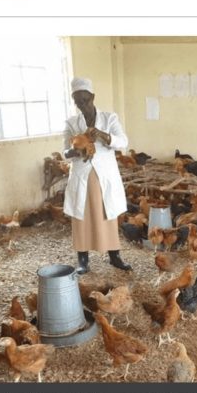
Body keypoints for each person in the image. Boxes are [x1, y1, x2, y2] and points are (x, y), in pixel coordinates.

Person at [63, 77, 132, 274]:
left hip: (105, 177)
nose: (82, 105)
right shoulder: (71, 123)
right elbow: (64, 153)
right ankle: (83, 260)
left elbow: (123, 141)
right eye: (78, 102)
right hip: (82, 176)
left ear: (92, 97)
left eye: (85, 100)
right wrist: (80, 146)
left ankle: (114, 256)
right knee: (81, 217)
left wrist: (101, 135)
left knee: (107, 213)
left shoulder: (110, 118)